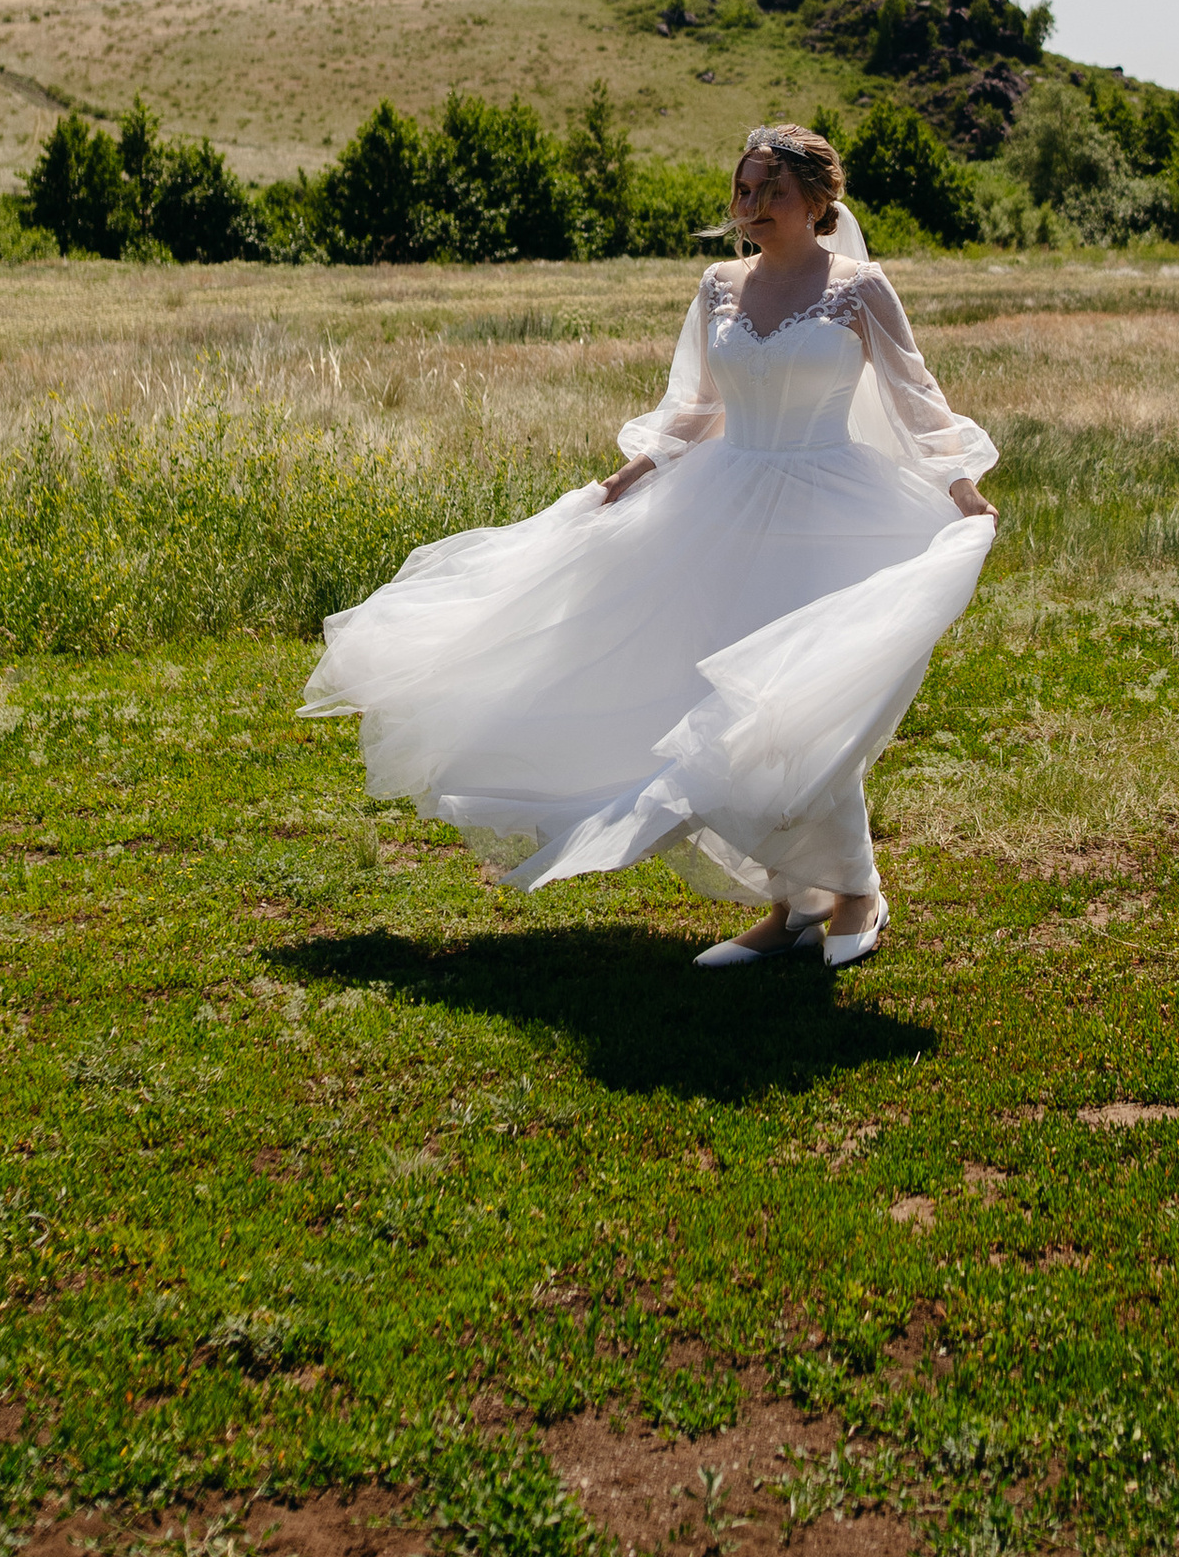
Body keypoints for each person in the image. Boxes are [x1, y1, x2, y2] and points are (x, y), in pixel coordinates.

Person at [300, 124, 997, 968]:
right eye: (742, 191)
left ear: (815, 201)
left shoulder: (860, 289)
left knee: (799, 701)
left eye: (769, 190)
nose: (751, 207)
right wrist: (622, 483)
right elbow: (698, 408)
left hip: (828, 509)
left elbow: (917, 398)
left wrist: (963, 492)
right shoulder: (717, 287)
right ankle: (796, 901)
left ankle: (855, 892)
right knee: (721, 706)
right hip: (726, 506)